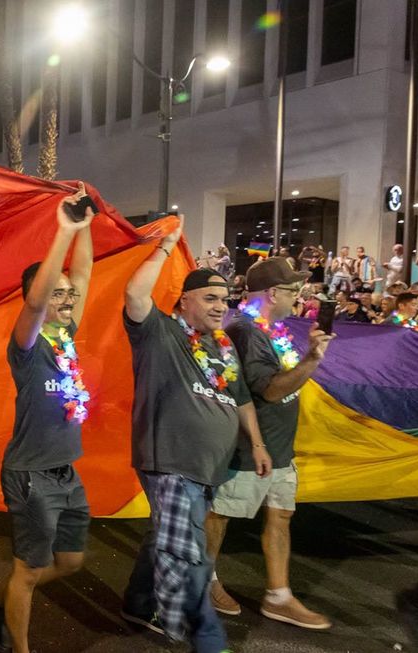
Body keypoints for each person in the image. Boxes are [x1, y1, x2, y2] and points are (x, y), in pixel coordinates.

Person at [120, 215, 271, 653]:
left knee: (165, 537)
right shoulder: (161, 333)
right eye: (210, 297)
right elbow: (134, 293)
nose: (221, 305)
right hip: (168, 458)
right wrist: (166, 245)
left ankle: (137, 603)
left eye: (225, 299)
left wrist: (257, 444)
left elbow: (241, 400)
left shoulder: (221, 347)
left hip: (207, 467)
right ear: (184, 301)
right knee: (187, 548)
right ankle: (194, 632)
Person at [0, 186, 95, 653]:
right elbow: (39, 303)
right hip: (31, 477)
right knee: (28, 570)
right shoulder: (28, 343)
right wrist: (62, 233)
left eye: (69, 295)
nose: (67, 298)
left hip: (66, 471)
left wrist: (85, 226)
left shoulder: (67, 337)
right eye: (56, 293)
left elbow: (82, 272)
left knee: (70, 561)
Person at [205, 256, 334, 630]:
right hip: (248, 446)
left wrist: (308, 357)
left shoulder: (271, 329)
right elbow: (272, 390)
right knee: (220, 514)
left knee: (280, 515)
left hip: (278, 447)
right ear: (273, 292)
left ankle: (279, 597)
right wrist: (312, 359)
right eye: (294, 289)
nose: (300, 296)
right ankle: (205, 580)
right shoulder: (247, 331)